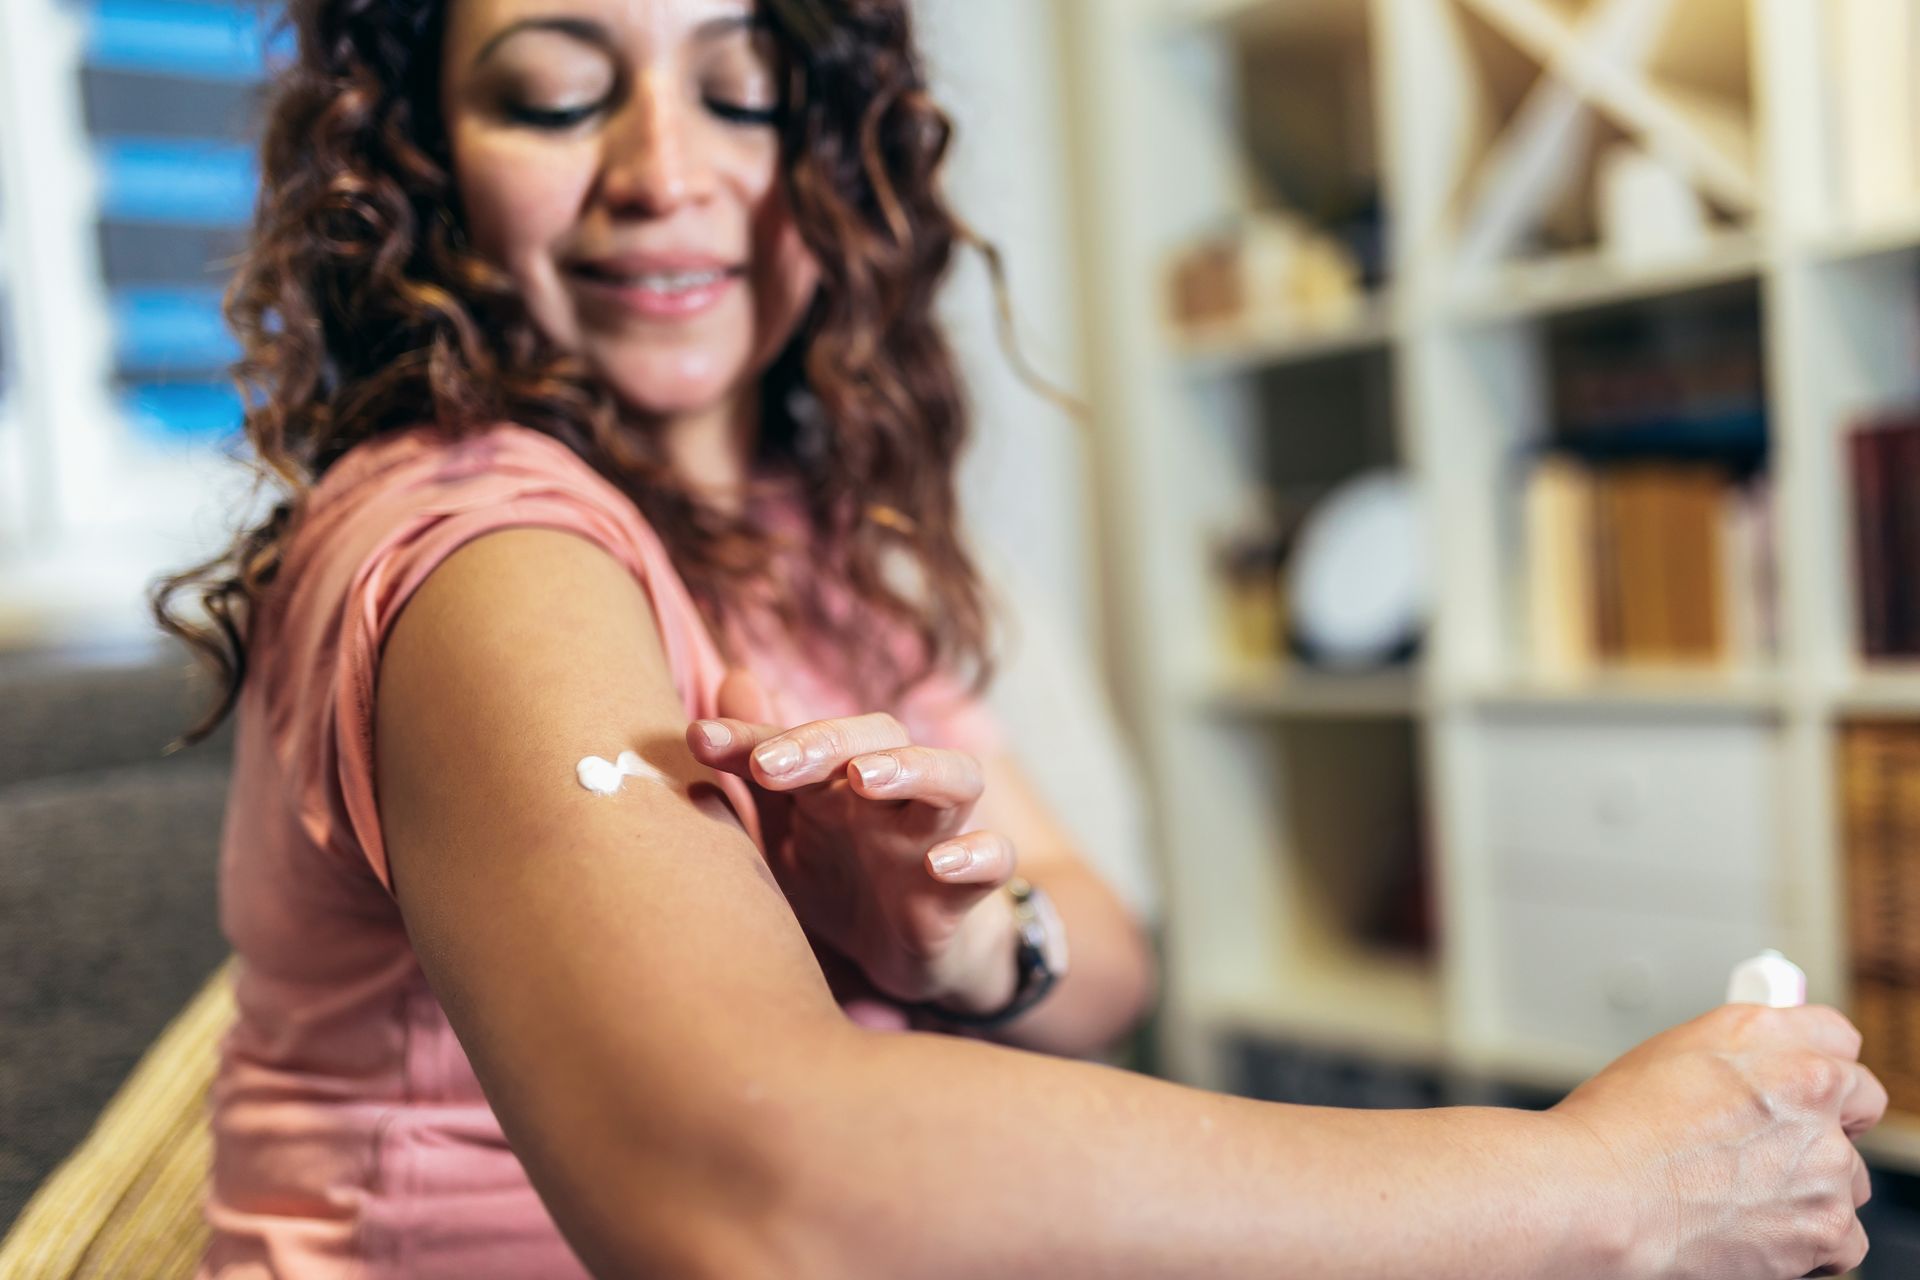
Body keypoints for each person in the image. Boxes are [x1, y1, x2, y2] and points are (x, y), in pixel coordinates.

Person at [154, 0, 1885, 1276]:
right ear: (422, 170)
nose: (664, 172)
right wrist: (1602, 1191)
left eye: (742, 90)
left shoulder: (831, 540)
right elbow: (748, 1195)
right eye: (551, 93)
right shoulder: (484, 551)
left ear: (825, 154)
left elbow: (1106, 947)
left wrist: (973, 952)